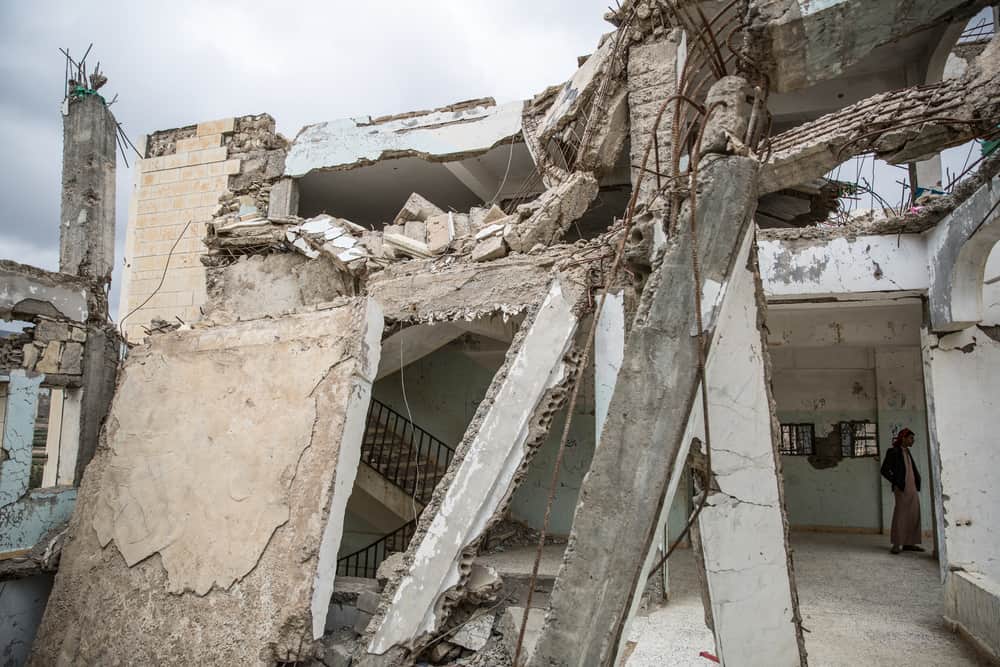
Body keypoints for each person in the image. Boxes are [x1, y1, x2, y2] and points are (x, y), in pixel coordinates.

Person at [880, 428, 924, 555]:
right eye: (911, 438)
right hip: (902, 488)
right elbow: (884, 470)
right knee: (901, 515)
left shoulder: (907, 452)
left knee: (913, 514)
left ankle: (909, 543)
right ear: (903, 438)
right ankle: (896, 544)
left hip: (912, 488)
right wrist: (897, 482)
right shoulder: (893, 451)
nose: (913, 440)